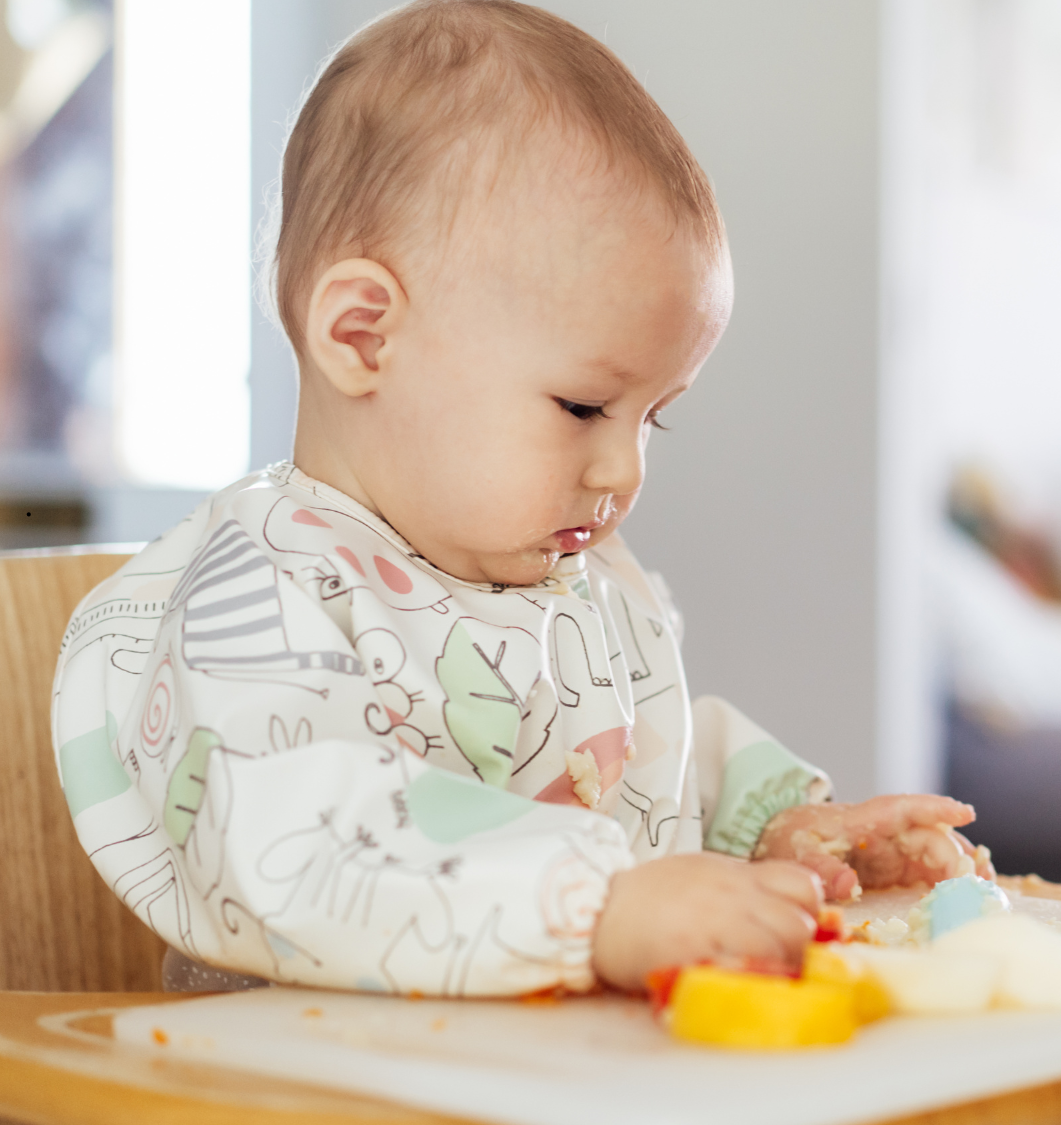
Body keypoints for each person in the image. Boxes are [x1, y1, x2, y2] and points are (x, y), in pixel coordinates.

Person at [51, 0, 988, 998]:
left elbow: (627, 759)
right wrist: (599, 910)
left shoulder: (557, 579)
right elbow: (306, 837)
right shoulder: (262, 602)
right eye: (584, 405)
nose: (623, 470)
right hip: (312, 1084)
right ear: (364, 335)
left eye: (651, 417)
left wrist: (771, 833)